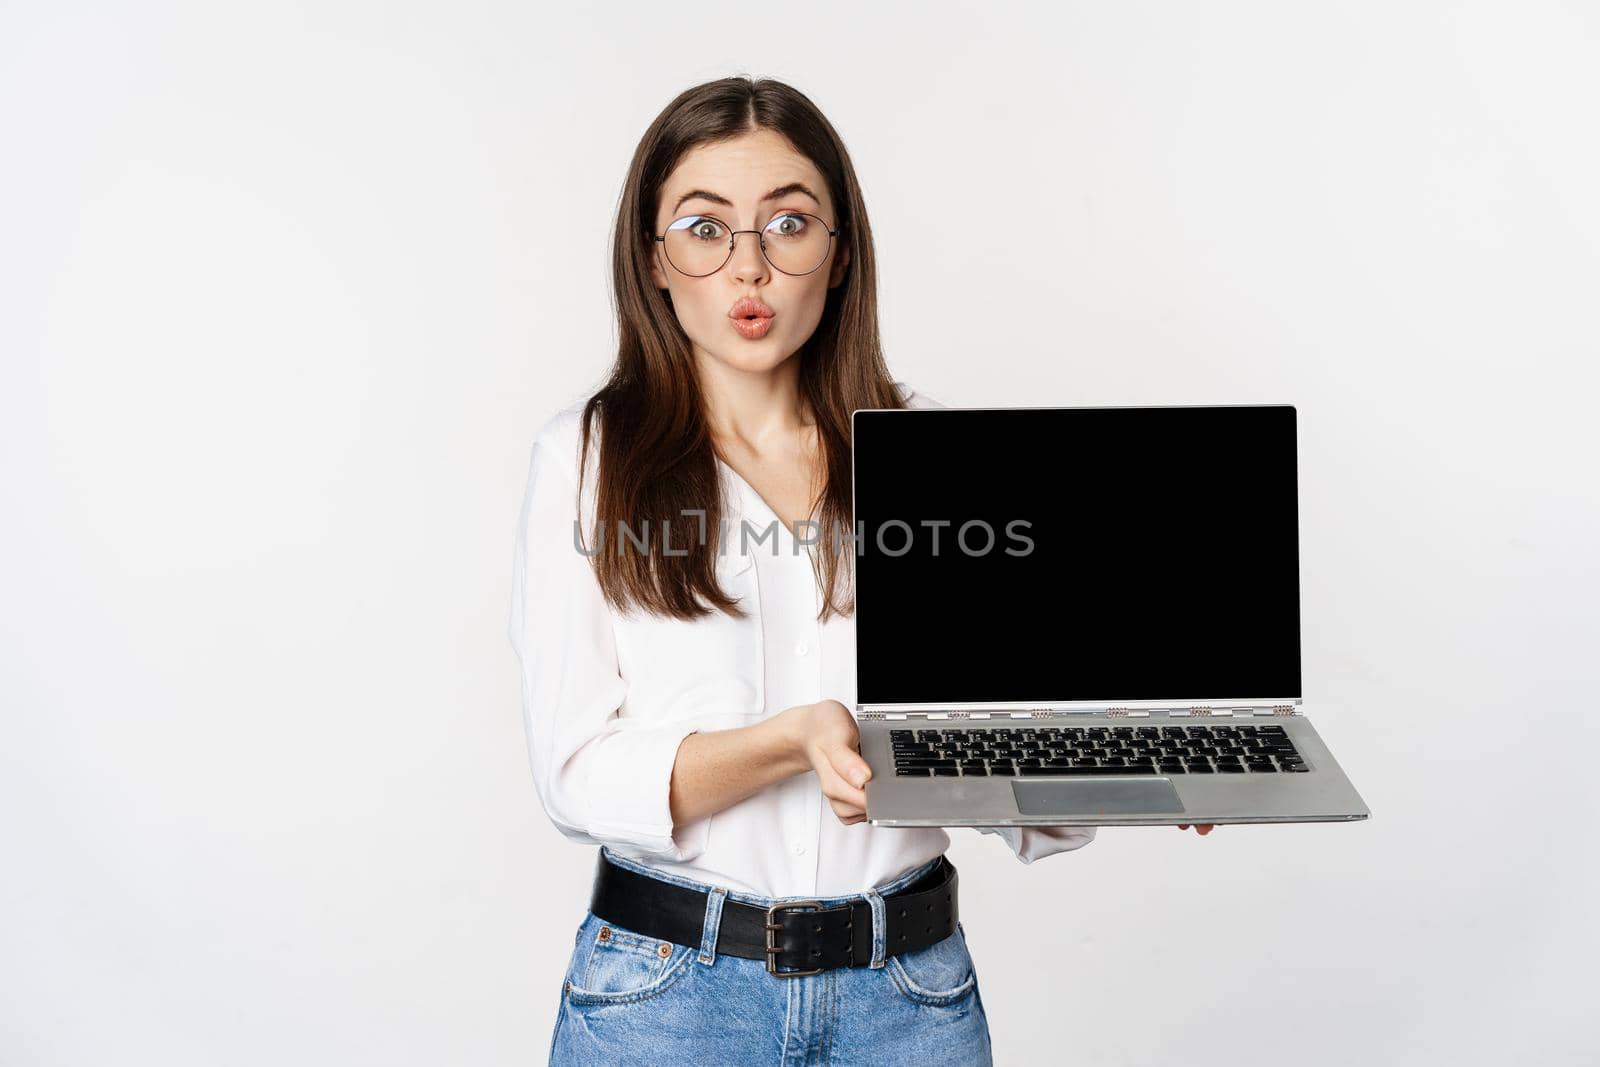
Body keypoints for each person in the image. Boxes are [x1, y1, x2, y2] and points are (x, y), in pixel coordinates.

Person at [508, 75, 1213, 1067]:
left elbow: (988, 748)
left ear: (837, 256)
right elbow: (576, 774)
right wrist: (791, 741)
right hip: (665, 999)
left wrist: (1129, 766)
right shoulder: (584, 457)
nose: (748, 268)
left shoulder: (931, 457)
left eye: (788, 224)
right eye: (705, 229)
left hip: (906, 997)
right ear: (654, 259)